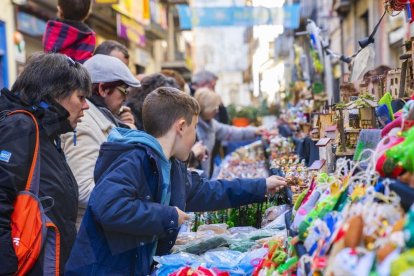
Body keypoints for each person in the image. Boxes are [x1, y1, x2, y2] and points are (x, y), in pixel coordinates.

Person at [64, 87, 287, 275]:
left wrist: (260, 186)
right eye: (194, 130)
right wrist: (168, 216)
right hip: (101, 268)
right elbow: (109, 207)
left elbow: (206, 192)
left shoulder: (170, 163)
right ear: (180, 127)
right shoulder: (133, 157)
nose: (195, 139)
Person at [0, 53, 91, 275]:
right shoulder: (21, 127)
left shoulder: (45, 132)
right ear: (56, 94)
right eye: (81, 97)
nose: (86, 106)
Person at [61, 54, 140, 227]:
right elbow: (83, 190)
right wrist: (129, 198)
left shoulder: (102, 119)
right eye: (124, 90)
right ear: (103, 89)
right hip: (88, 233)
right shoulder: (84, 124)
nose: (126, 98)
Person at [195, 88, 263, 177]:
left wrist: (254, 131)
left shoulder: (212, 124)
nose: (217, 110)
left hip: (206, 176)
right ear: (205, 107)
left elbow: (231, 132)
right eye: (214, 107)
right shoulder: (194, 126)